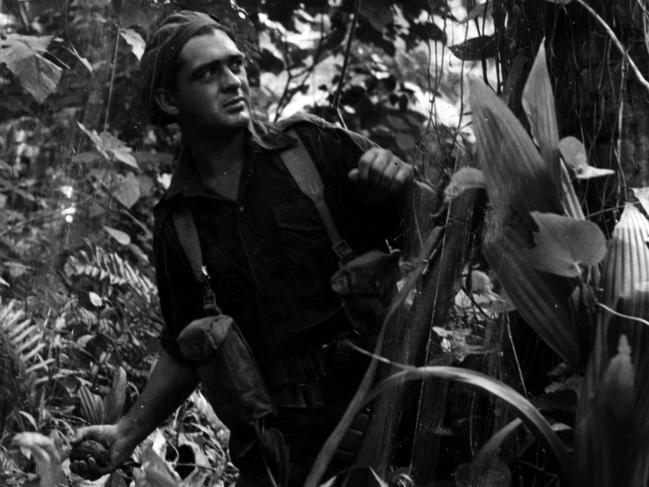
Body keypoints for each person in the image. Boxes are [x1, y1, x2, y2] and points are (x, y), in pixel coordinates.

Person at [70, 10, 436, 486]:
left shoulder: (313, 148)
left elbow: (438, 227)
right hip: (281, 452)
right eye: (207, 73)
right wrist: (127, 431)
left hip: (382, 417)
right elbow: (186, 347)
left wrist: (397, 187)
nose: (232, 81)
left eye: (235, 65)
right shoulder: (178, 222)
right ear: (169, 99)